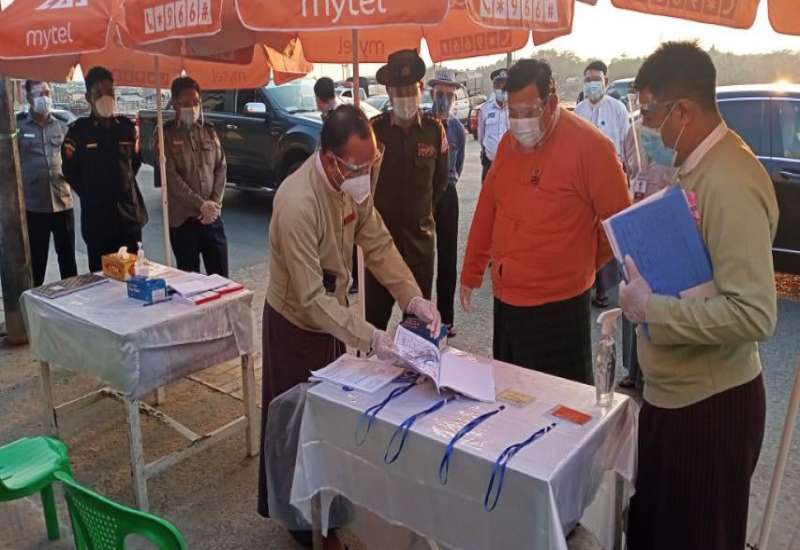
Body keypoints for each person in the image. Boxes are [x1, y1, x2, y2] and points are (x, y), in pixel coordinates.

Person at [620, 42, 778, 550]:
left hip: (710, 410)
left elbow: (754, 313)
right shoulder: (694, 167)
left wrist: (654, 310)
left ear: (683, 111)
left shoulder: (730, 181)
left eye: (650, 113)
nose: (647, 127)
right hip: (672, 399)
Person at [257, 104, 441, 532]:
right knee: (294, 423)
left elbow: (377, 243)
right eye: (359, 167)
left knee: (330, 420)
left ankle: (330, 507)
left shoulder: (352, 182)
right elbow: (310, 299)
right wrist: (373, 337)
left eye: (372, 163)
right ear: (329, 160)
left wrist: (413, 298)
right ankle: (298, 521)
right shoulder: (296, 203)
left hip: (332, 319)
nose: (366, 174)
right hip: (294, 324)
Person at [460, 59, 630, 384]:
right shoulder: (509, 145)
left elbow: (619, 225)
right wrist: (471, 271)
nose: (520, 122)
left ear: (551, 103)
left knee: (561, 401)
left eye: (528, 112)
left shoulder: (591, 148)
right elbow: (488, 208)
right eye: (513, 113)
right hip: (508, 302)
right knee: (510, 394)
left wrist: (580, 262)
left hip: (560, 307)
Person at [367, 49, 449, 330]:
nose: (405, 98)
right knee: (372, 326)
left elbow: (439, 186)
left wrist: (420, 216)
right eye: (399, 92)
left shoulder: (434, 131)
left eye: (409, 90)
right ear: (389, 92)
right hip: (379, 248)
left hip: (419, 249)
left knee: (417, 328)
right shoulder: (374, 132)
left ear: (420, 88)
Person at [62, 66, 148, 272]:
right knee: (102, 280)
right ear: (88, 97)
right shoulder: (78, 132)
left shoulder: (126, 128)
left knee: (132, 275)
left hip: (128, 218)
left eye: (109, 92)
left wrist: (121, 185)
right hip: (98, 223)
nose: (105, 97)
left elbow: (134, 163)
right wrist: (92, 193)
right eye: (98, 93)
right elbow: (70, 171)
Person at [575, 60, 631, 308]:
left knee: (609, 232)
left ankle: (604, 289)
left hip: (611, 179)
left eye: (596, 79)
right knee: (587, 233)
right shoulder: (579, 111)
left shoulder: (618, 109)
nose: (591, 84)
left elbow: (627, 146)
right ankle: (587, 282)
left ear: (605, 82)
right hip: (584, 181)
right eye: (588, 80)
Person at [160, 76, 228, 276]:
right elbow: (170, 178)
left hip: (211, 218)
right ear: (175, 104)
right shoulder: (165, 135)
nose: (192, 107)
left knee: (222, 280)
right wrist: (201, 205)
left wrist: (213, 204)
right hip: (183, 222)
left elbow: (221, 168)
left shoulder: (209, 131)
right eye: (186, 103)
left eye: (196, 102)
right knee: (190, 284)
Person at [18, 80, 77, 287]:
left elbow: (73, 160)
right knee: (36, 262)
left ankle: (73, 298)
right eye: (39, 93)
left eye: (47, 92)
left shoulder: (62, 125)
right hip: (34, 206)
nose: (44, 97)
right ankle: (36, 300)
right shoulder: (18, 126)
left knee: (68, 260)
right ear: (28, 97)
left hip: (63, 202)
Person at [428, 69, 467, 338]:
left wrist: (447, 185)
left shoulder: (457, 130)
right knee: (420, 257)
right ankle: (417, 316)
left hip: (447, 194)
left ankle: (446, 318)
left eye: (449, 95)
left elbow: (458, 165)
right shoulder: (422, 124)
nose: (444, 100)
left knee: (447, 257)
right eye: (440, 94)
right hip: (423, 194)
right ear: (432, 94)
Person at [478, 68, 509, 182]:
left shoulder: (515, 108)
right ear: (494, 87)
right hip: (490, 164)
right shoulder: (485, 109)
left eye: (505, 85)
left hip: (510, 164)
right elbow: (481, 136)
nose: (502, 88)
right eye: (499, 85)